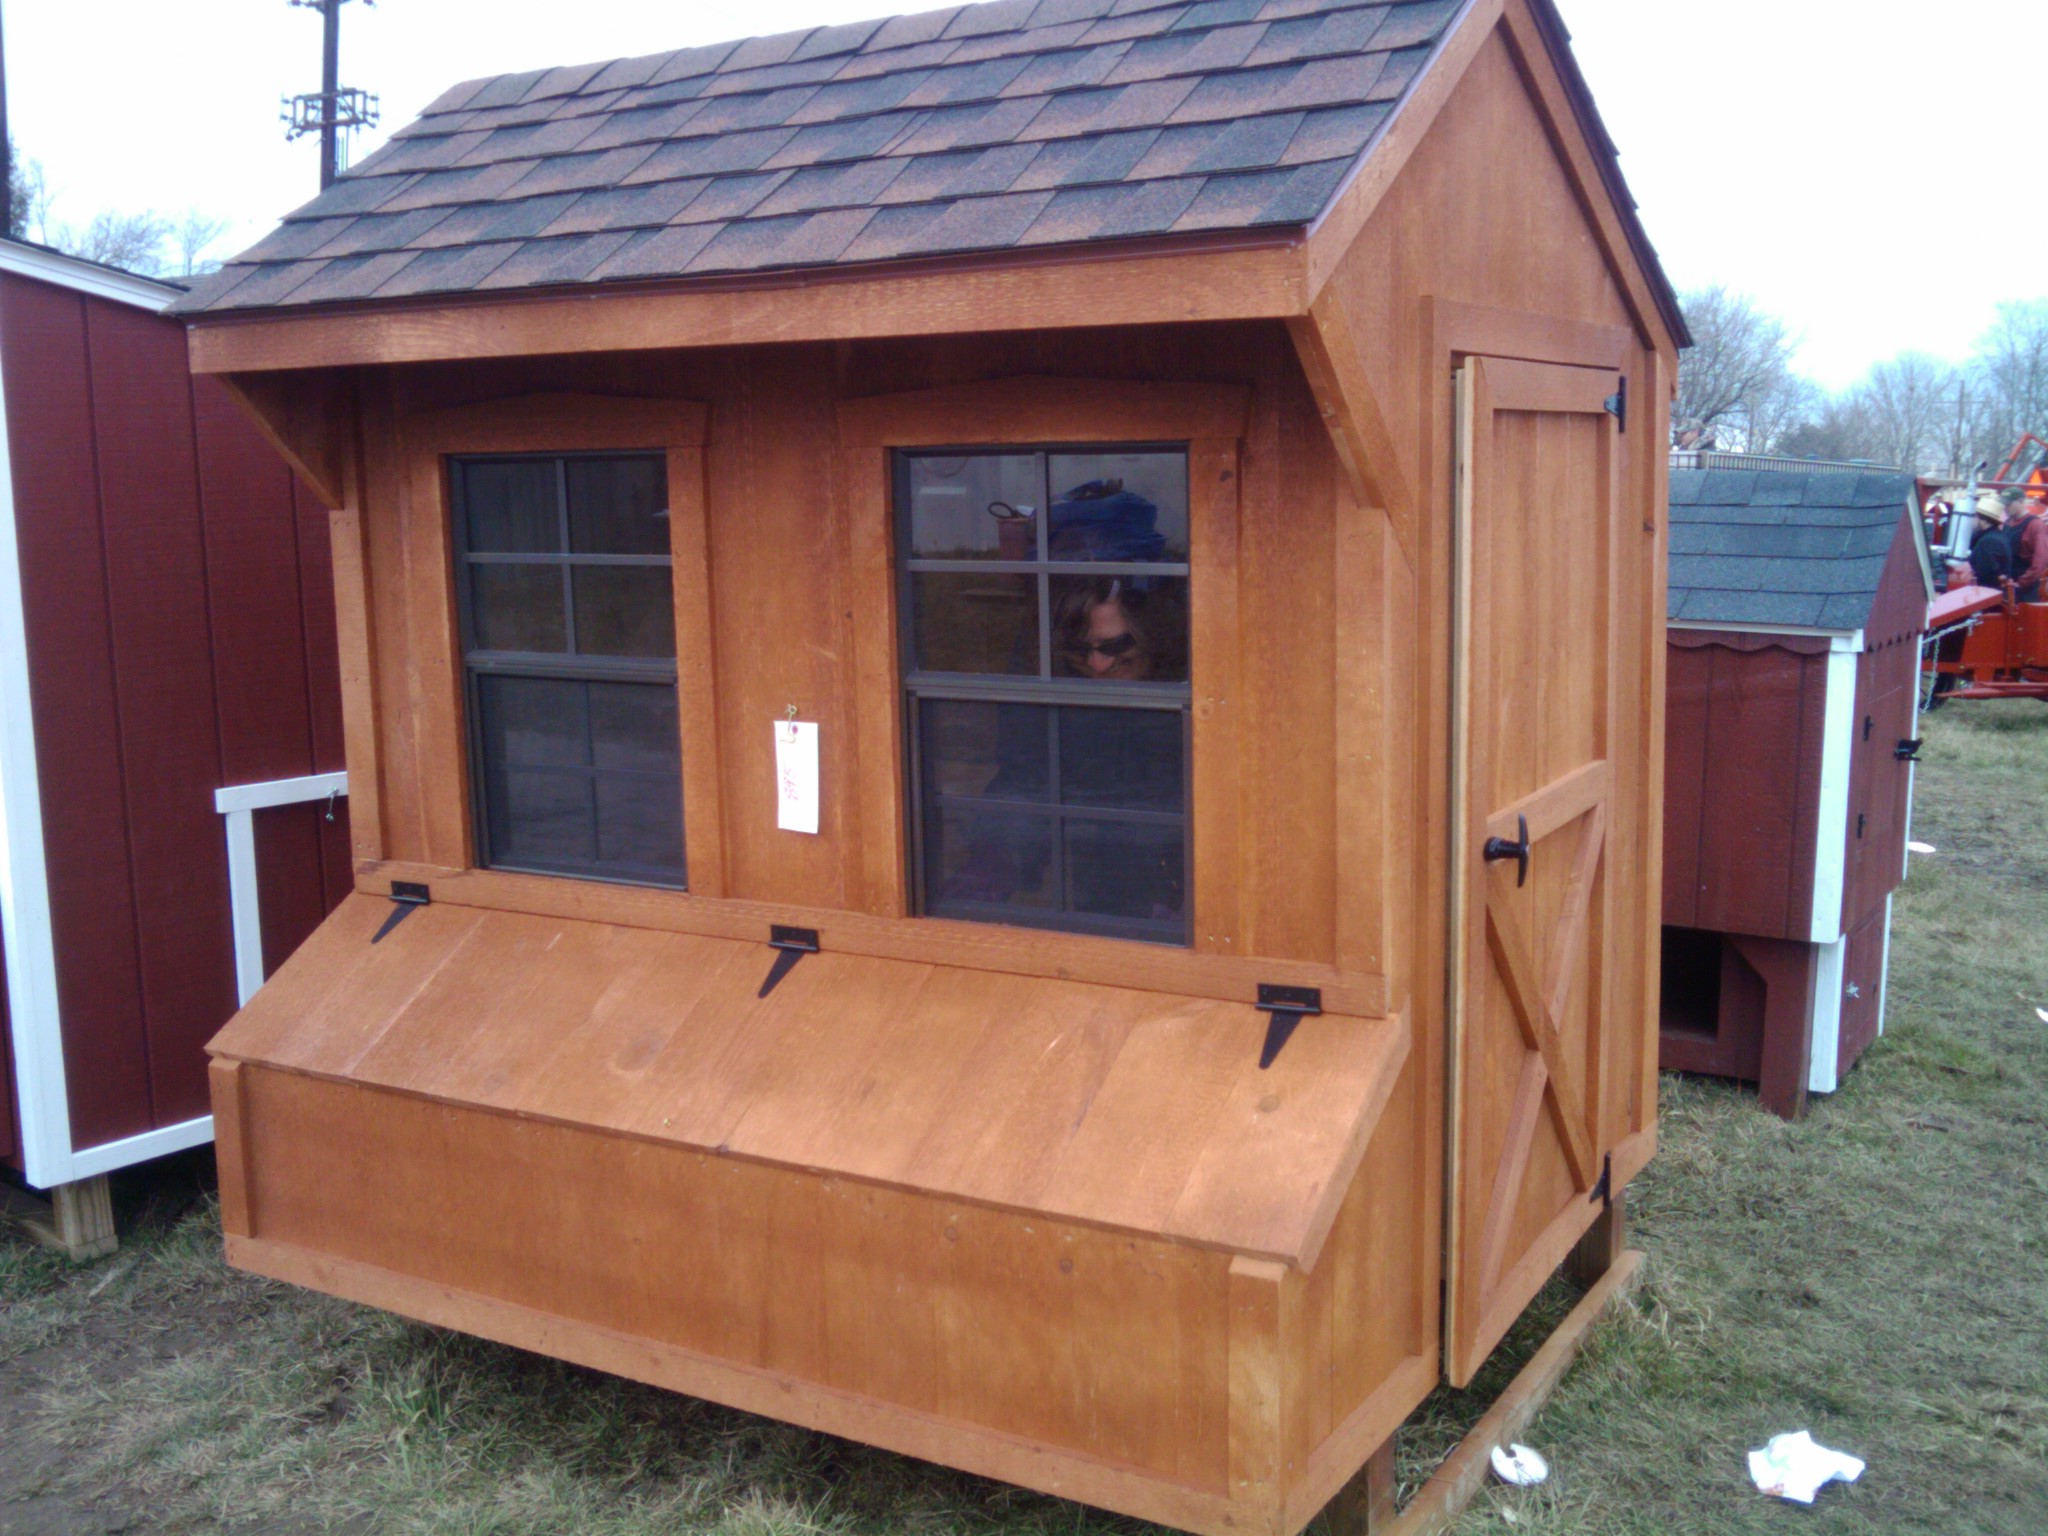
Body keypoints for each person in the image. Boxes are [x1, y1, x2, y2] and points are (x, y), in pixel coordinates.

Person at [1952, 495, 2016, 588]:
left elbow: (1985, 574)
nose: (1972, 521)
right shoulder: (1996, 536)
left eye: (1975, 517)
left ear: (1984, 521)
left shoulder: (1989, 541)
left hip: (1986, 594)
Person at [2004, 490, 2047, 602]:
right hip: (2009, 584)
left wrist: (2021, 583)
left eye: (2008, 504)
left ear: (2021, 501)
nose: (2005, 507)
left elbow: (2040, 561)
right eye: (2004, 504)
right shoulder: (2007, 523)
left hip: (2026, 589)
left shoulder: (2035, 525)